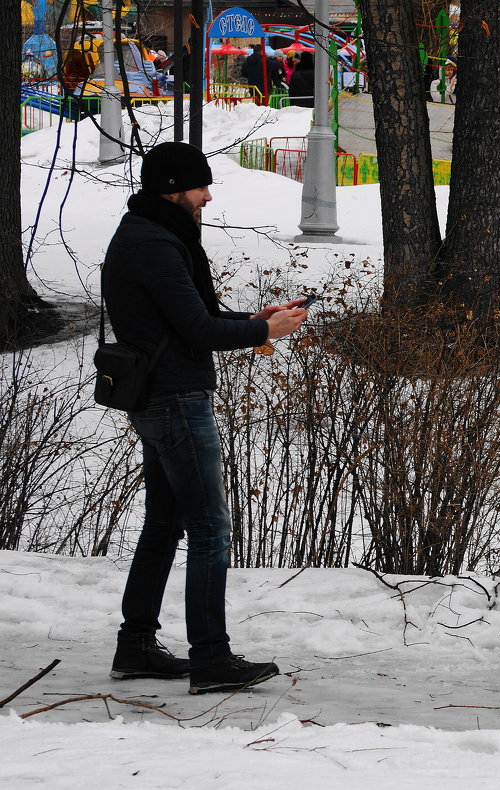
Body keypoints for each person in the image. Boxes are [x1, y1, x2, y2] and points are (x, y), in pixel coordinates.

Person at [102, 142, 311, 695]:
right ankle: (211, 659)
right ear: (173, 188)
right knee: (210, 528)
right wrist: (265, 333)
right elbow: (196, 332)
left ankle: (137, 645)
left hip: (163, 395)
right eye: (200, 187)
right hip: (173, 399)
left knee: (166, 522)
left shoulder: (156, 235)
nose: (208, 196)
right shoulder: (154, 243)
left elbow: (192, 317)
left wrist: (250, 319)